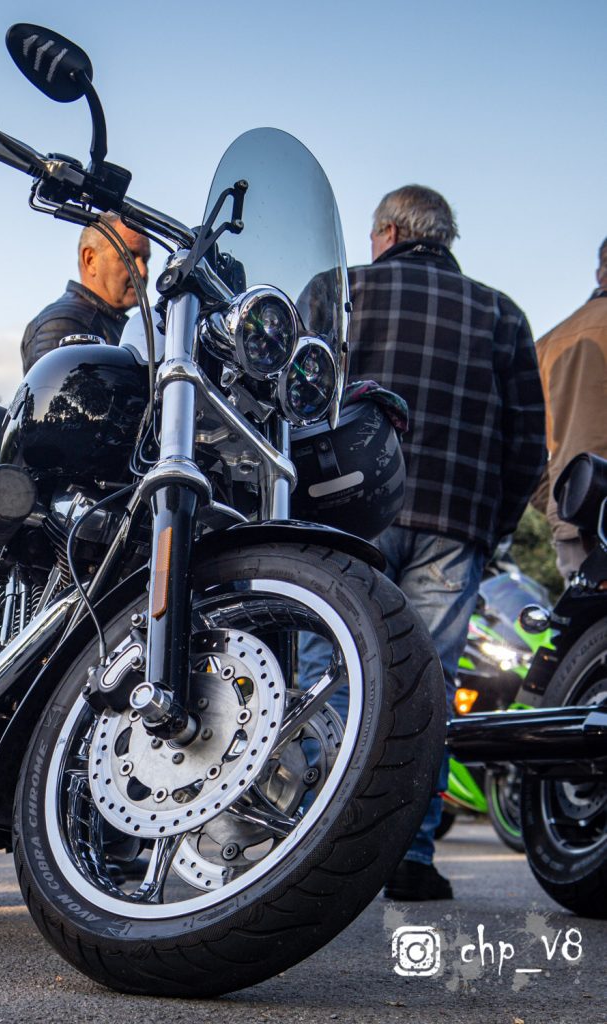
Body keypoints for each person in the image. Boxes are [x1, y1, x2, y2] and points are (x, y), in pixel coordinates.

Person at [301, 185, 546, 901]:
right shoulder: (501, 313)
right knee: (424, 687)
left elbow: (290, 396)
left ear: (386, 232)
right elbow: (526, 445)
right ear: (443, 237)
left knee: (328, 670)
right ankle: (407, 856)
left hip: (343, 516)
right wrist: (488, 530)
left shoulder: (338, 290)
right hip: (452, 526)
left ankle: (313, 848)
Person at [532, 238, 607, 579]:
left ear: (599, 272)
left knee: (584, 626)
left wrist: (559, 501)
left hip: (574, 515)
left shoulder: (550, 343)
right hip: (577, 510)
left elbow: (524, 448)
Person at [20, 213, 151, 373]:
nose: (143, 271)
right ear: (90, 260)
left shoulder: (116, 324)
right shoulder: (66, 322)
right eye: (128, 258)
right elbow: (55, 395)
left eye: (145, 260)